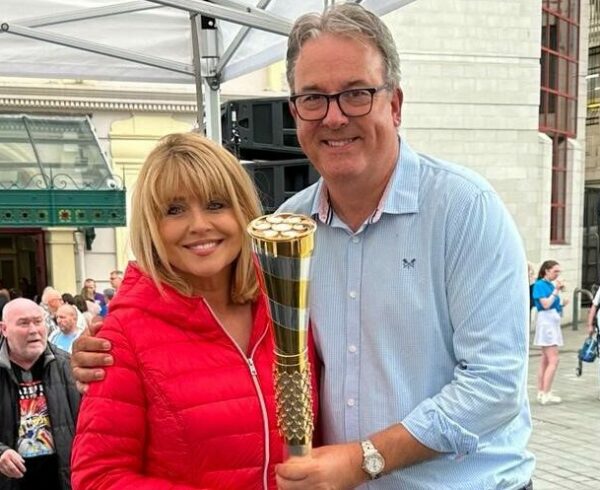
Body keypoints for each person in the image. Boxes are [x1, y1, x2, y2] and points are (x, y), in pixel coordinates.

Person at [72, 4, 532, 489]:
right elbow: (185, 297)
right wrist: (106, 344)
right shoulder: (287, 231)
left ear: (394, 104)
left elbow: (494, 386)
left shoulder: (464, 209)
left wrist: (362, 460)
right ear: (295, 113)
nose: (334, 117)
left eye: (356, 94)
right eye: (313, 98)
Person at [70, 133, 318, 490]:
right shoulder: (123, 334)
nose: (199, 224)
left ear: (243, 209)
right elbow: (98, 478)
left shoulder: (284, 301)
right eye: (174, 210)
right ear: (152, 226)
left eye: (216, 204)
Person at [0, 298, 80, 490]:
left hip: (63, 480)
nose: (34, 330)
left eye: (38, 321)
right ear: (3, 329)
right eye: (23, 323)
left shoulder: (68, 366)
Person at [532, 260, 569, 405]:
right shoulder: (540, 285)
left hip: (551, 321)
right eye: (555, 271)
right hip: (546, 323)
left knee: (545, 359)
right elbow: (545, 304)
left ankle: (542, 391)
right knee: (554, 359)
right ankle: (546, 392)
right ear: (546, 271)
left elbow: (552, 304)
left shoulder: (549, 284)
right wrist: (556, 291)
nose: (557, 274)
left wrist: (561, 303)